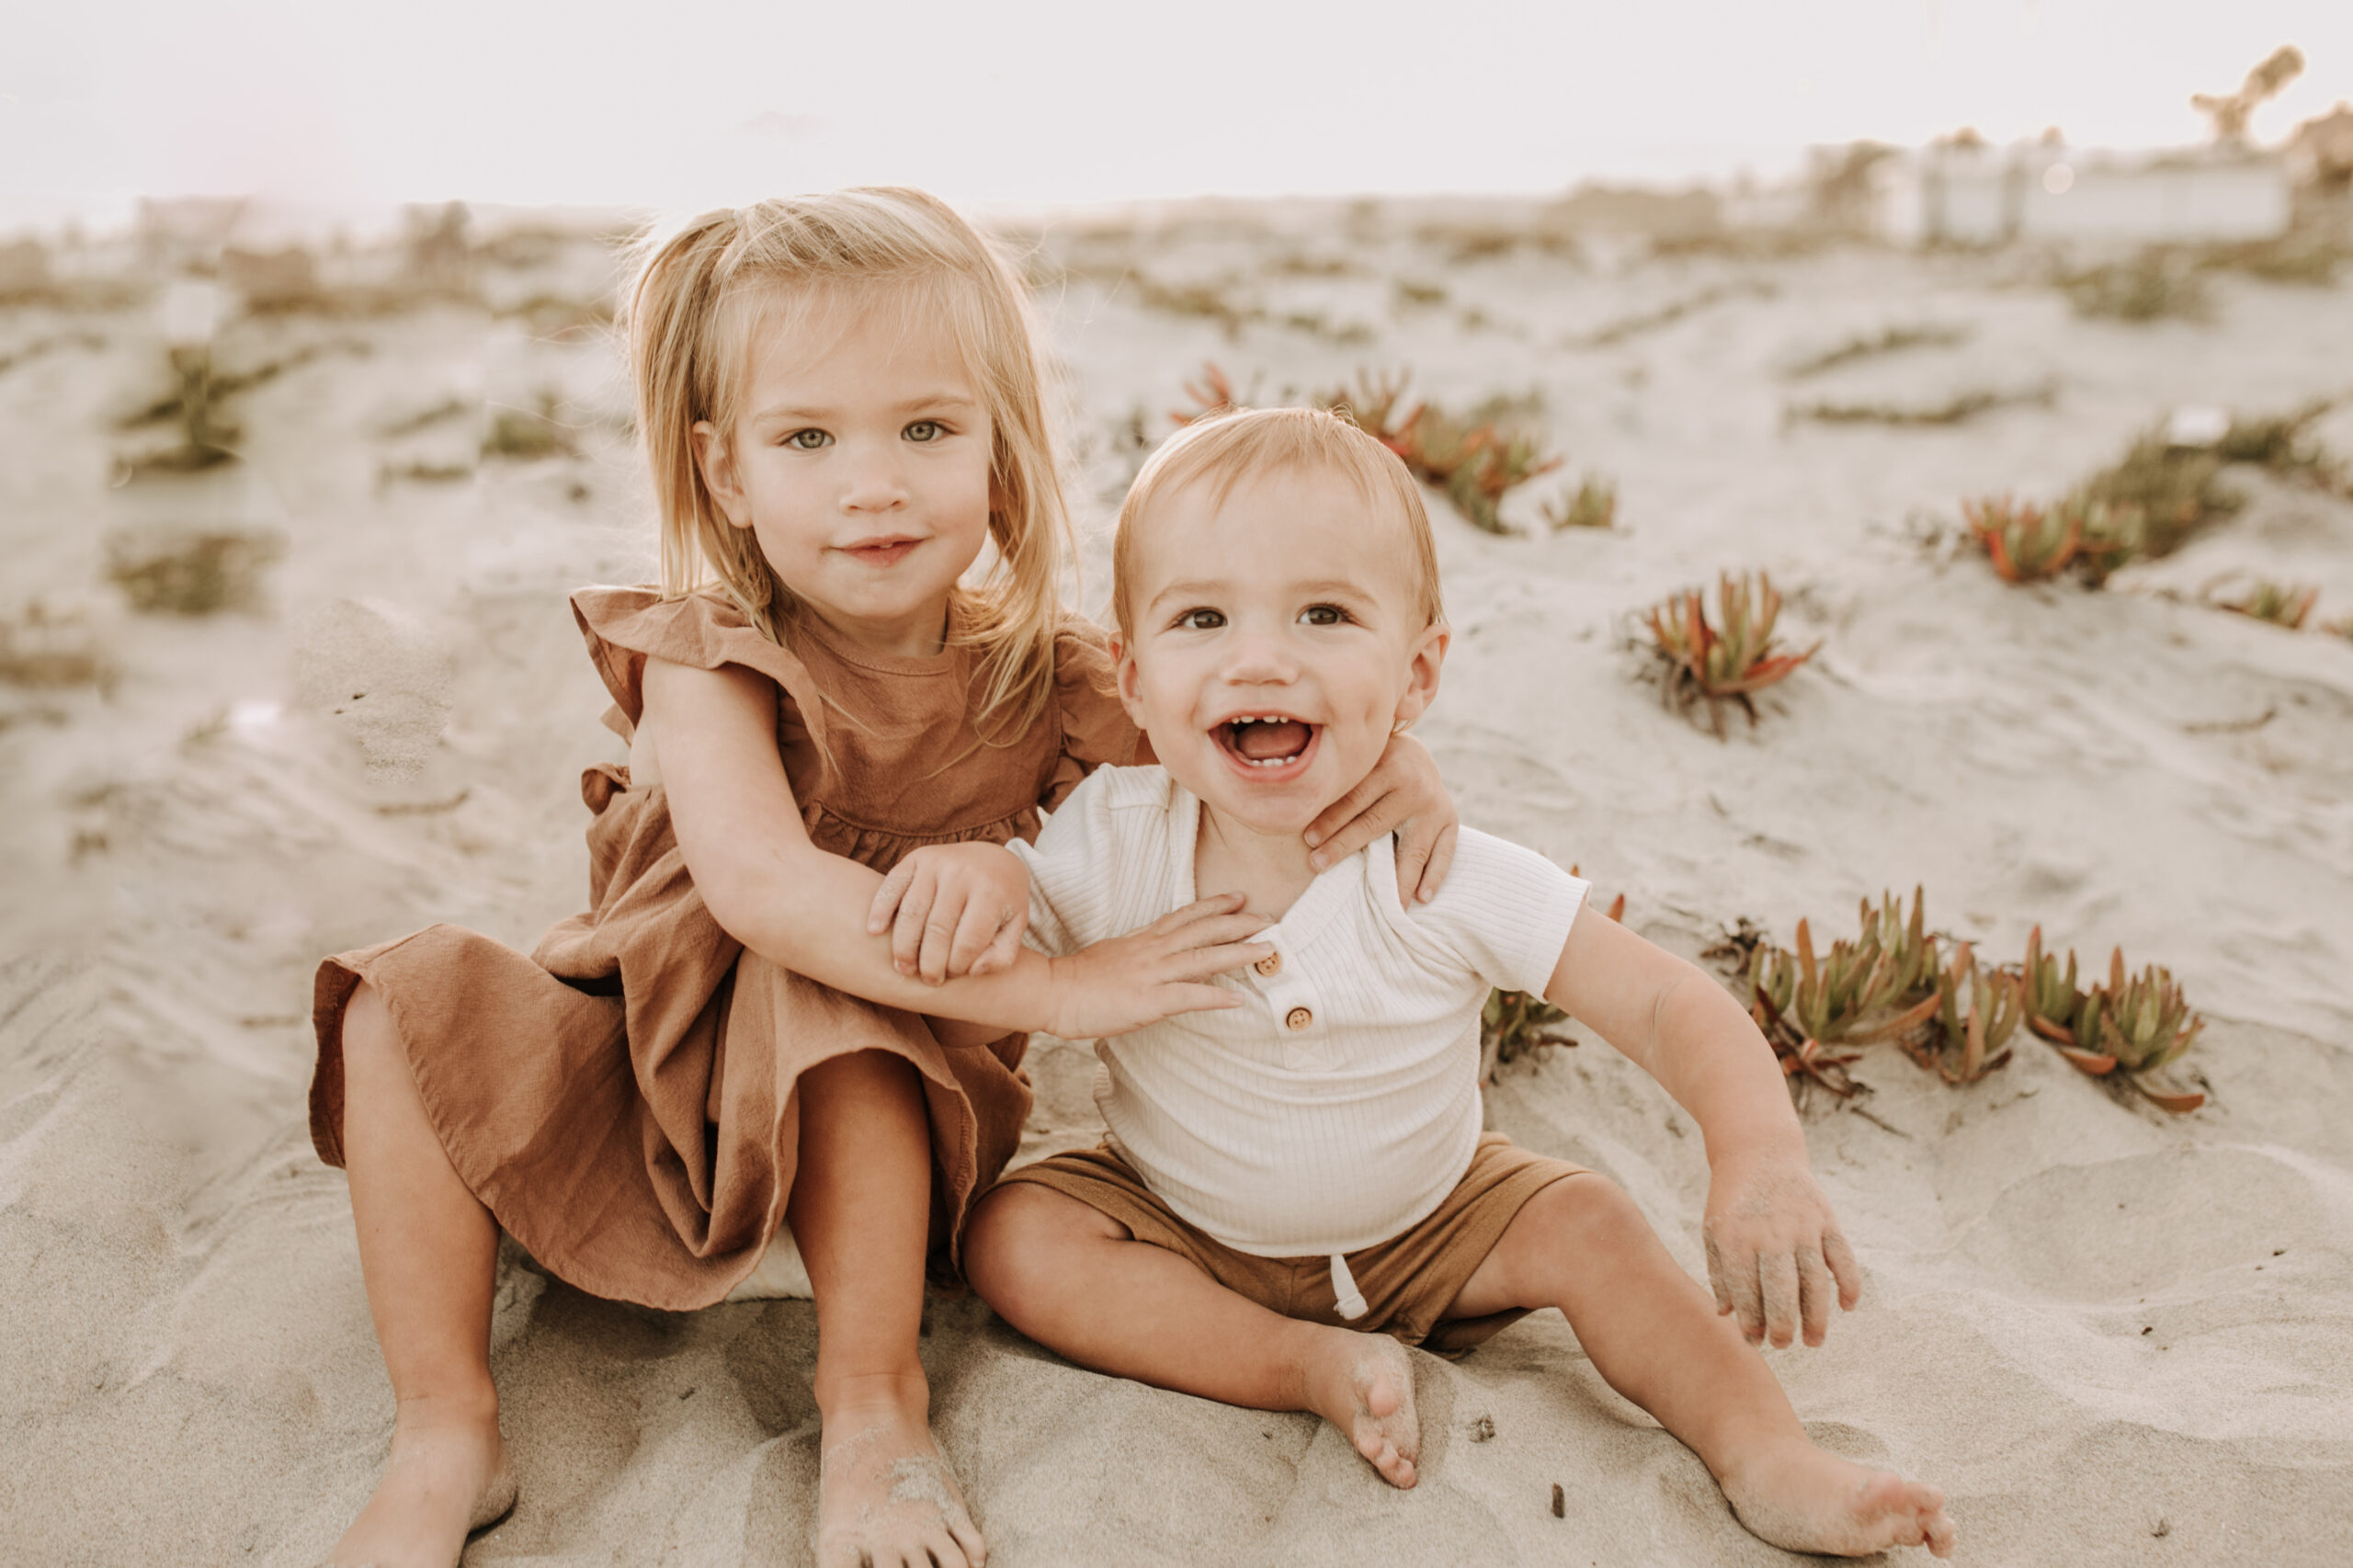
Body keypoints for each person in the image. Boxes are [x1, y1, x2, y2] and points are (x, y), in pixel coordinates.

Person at [306, 191, 1458, 1568]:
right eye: (808, 438)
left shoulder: (1047, 677)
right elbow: (762, 891)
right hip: (654, 1079)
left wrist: (1408, 772)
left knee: (838, 999)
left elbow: (1248, 736)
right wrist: (1061, 985)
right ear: (725, 472)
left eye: (926, 429)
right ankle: (447, 1429)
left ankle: (873, 1406)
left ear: (999, 455)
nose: (874, 482)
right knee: (401, 996)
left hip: (880, 1128)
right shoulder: (706, 654)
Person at [915, 405, 1958, 1559]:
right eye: (1201, 617)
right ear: (1135, 676)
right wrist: (980, 877)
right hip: (1182, 1219)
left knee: (1593, 1223)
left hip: (1440, 1216)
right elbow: (1015, 900)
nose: (1259, 657)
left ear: (1417, 672)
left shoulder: (1440, 870)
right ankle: (1299, 1364)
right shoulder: (1114, 838)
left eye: (1323, 614)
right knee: (1015, 1234)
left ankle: (1769, 1455)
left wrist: (1759, 1159)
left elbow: (1664, 1002)